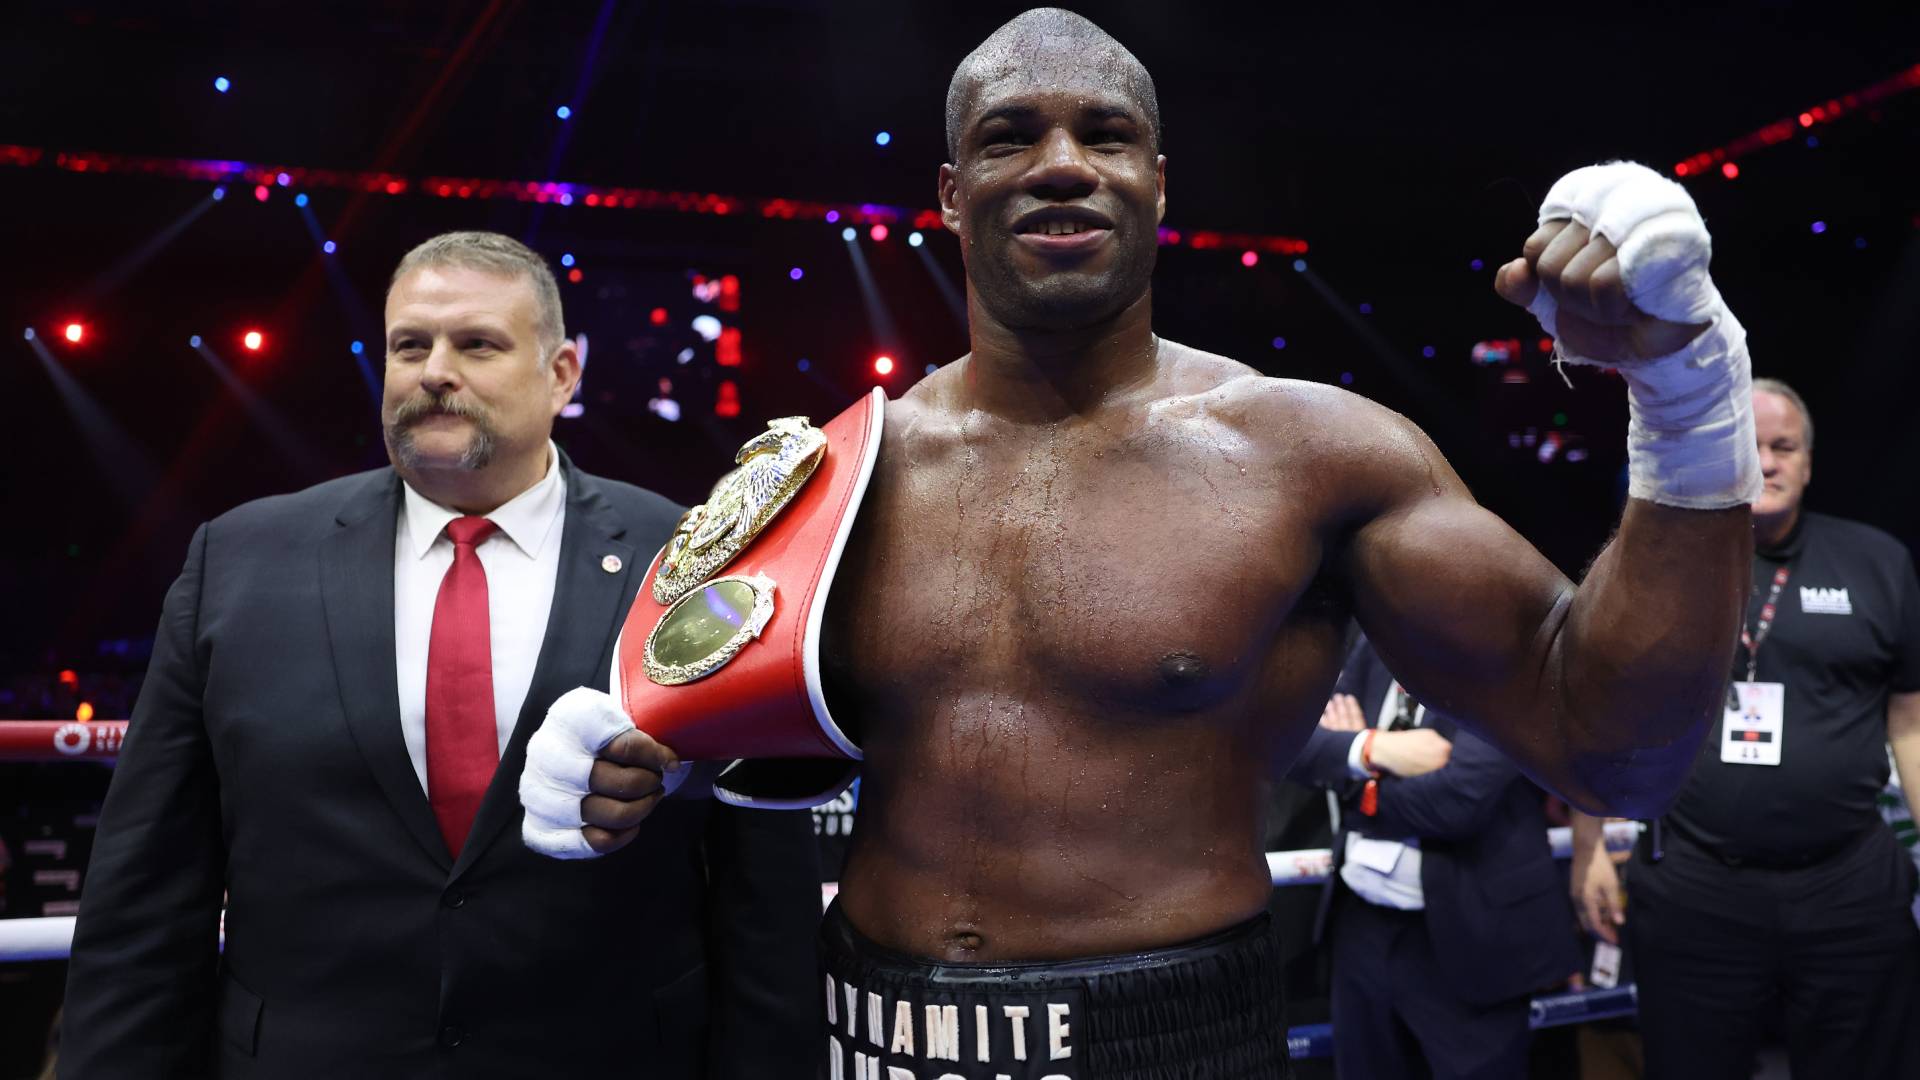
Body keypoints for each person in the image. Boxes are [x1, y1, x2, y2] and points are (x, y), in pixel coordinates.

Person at [549, 10, 1762, 1076]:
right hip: (873, 1037)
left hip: (1176, 1040)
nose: (1064, 165)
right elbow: (694, 741)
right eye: (1012, 135)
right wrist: (627, 758)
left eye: (1107, 134)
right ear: (949, 191)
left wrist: (1687, 400)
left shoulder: (1312, 456)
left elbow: (1619, 754)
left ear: (1161, 181)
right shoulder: (836, 475)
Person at [58, 231, 821, 1079]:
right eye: (409, 345)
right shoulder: (238, 562)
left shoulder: (689, 559)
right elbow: (147, 891)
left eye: (478, 344)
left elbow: (764, 898)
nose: (434, 371)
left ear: (564, 373)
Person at [1568, 377, 1920, 1079]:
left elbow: (1911, 722)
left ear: (1808, 461)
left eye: (1783, 446)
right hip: (1697, 881)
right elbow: (1601, 710)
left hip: (1848, 882)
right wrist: (1588, 849)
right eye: (1749, 446)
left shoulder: (1878, 563)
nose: (1768, 460)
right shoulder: (1656, 566)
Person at [1291, 633, 1579, 1079]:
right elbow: (1298, 745)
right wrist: (1374, 749)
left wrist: (1354, 778)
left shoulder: (1509, 663)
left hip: (1473, 934)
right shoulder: (1376, 646)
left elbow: (1459, 801)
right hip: (1359, 926)